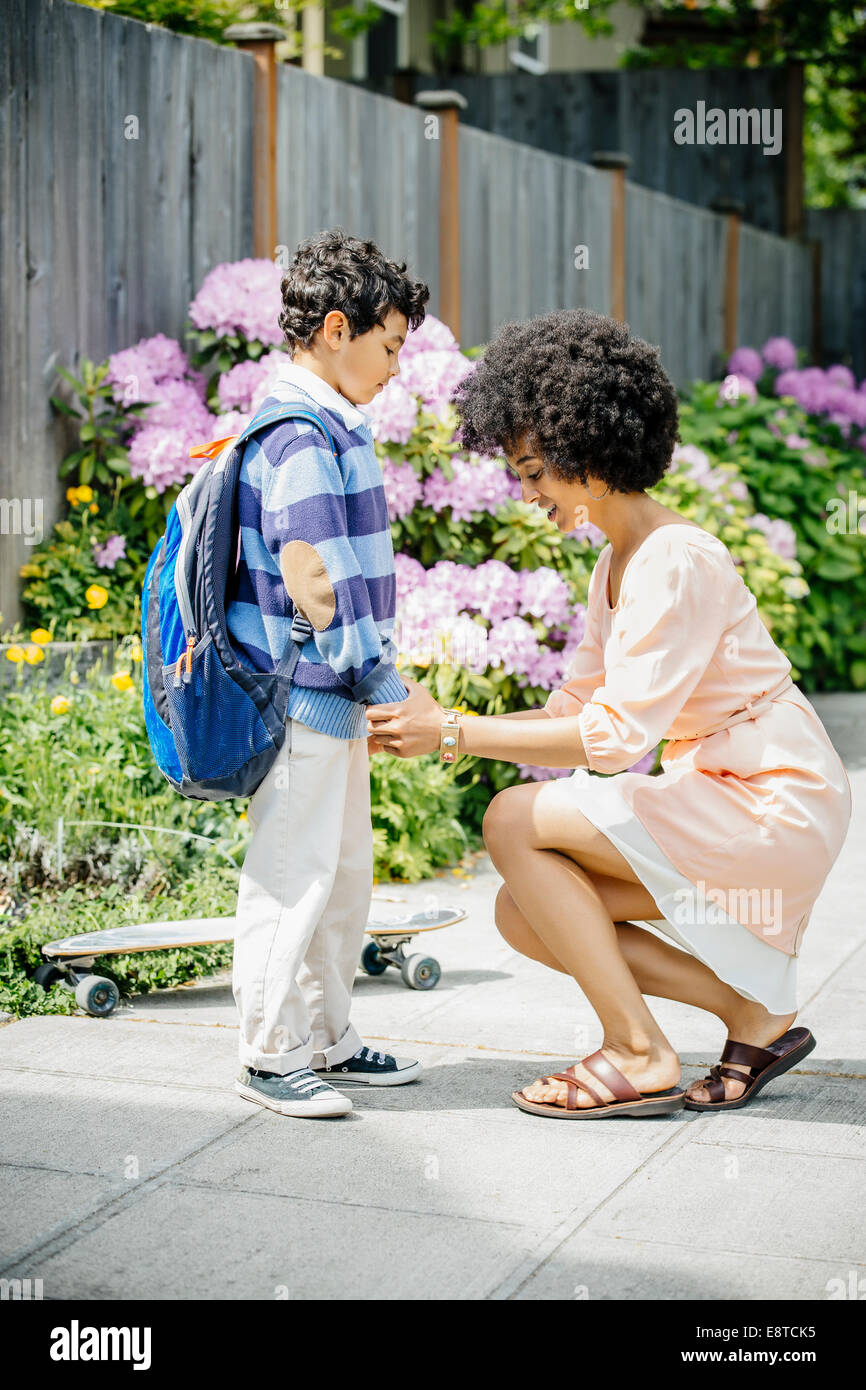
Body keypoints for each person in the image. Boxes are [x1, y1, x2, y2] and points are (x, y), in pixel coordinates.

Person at [366, 309, 853, 1120]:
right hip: (729, 791)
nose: (526, 494)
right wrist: (433, 722)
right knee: (526, 913)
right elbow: (574, 707)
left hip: (772, 800)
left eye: (533, 471)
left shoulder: (674, 559)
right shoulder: (617, 561)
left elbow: (613, 741)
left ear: (590, 455)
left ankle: (637, 1048)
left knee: (510, 819)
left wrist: (449, 733)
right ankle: (751, 1016)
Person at [228, 229, 429, 1118]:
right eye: (389, 346)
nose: (395, 367)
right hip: (308, 696)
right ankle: (270, 1054)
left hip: (333, 700)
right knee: (293, 870)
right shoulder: (302, 435)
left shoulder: (332, 424)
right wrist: (381, 680)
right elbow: (318, 588)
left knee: (344, 872)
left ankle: (328, 1037)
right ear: (338, 329)